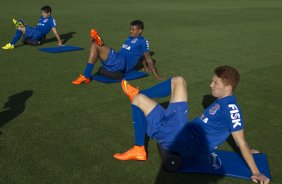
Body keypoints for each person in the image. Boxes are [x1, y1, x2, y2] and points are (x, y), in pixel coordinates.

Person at [113, 66, 270, 184]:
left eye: (215, 83)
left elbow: (239, 140)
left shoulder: (230, 108)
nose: (211, 85)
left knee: (178, 82)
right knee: (139, 100)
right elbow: (225, 131)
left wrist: (255, 172)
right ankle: (139, 148)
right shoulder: (223, 101)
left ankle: (140, 95)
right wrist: (246, 151)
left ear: (228, 87)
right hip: (180, 132)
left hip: (184, 141)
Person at [72, 20, 162, 85]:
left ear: (140, 31)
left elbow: (148, 58)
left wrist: (156, 75)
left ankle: (99, 41)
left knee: (96, 45)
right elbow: (141, 55)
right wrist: (145, 67)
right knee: (94, 45)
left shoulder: (143, 41)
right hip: (117, 59)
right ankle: (86, 75)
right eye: (130, 29)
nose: (131, 31)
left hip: (122, 63)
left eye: (133, 29)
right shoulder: (130, 38)